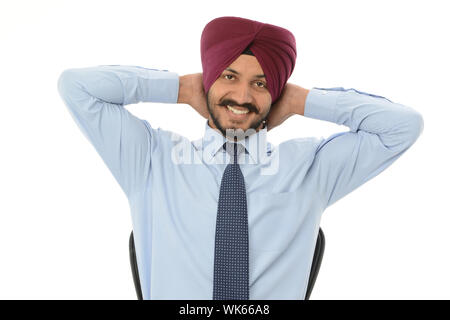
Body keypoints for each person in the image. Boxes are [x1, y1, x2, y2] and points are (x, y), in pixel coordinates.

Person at [57, 16, 424, 300]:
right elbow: (77, 86)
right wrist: (181, 88)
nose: (242, 95)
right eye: (229, 76)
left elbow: (403, 126)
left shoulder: (311, 168)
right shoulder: (151, 159)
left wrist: (300, 101)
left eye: (261, 83)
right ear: (209, 79)